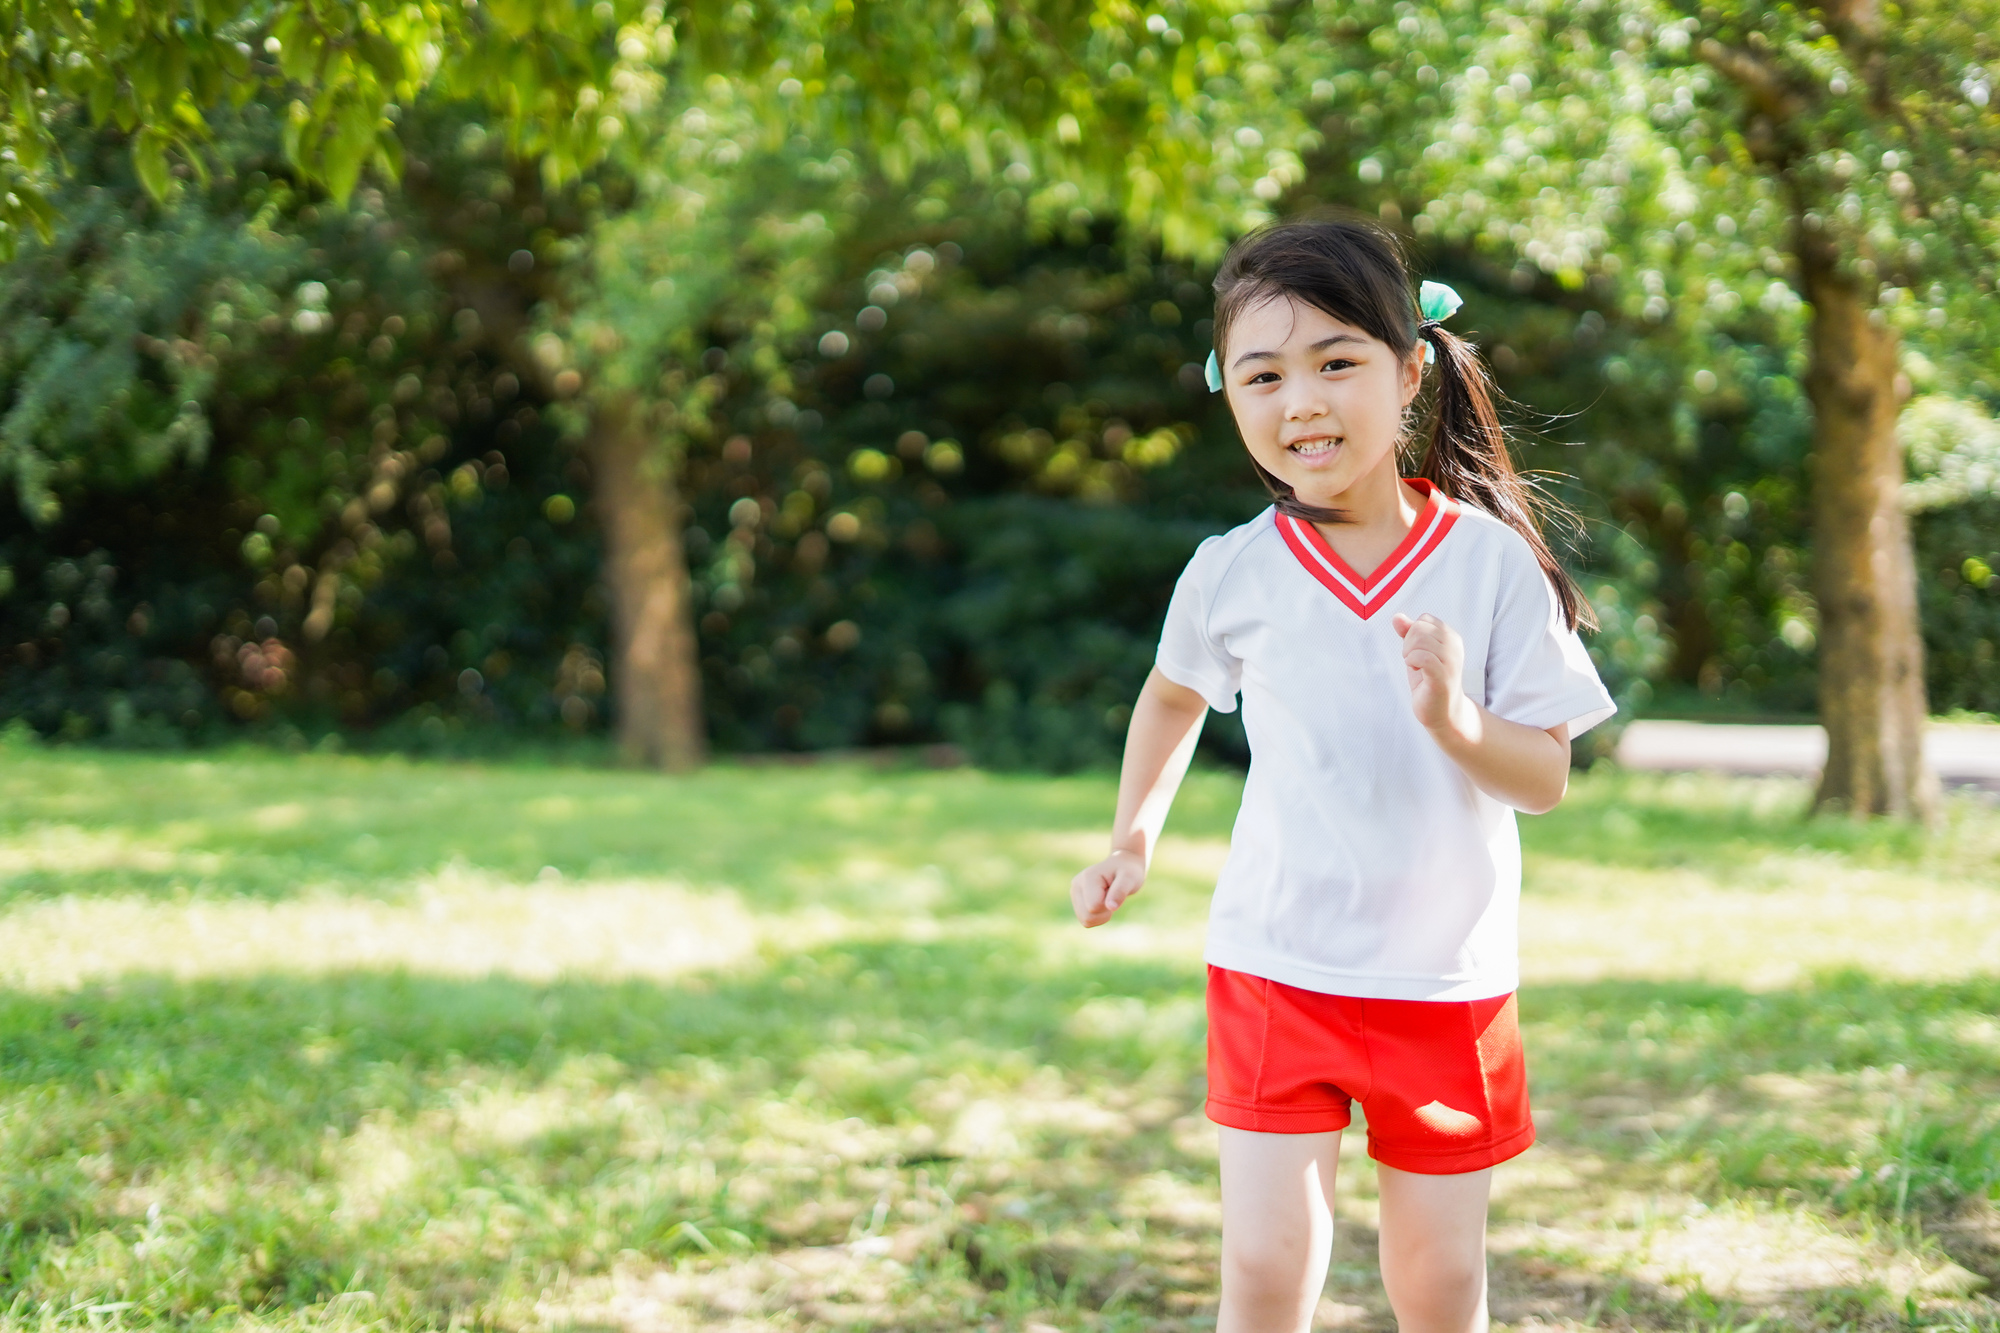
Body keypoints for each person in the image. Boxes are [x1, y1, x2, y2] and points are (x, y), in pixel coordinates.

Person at [1068, 218, 1615, 1333]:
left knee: (1436, 1282)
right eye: (1263, 374)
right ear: (1229, 393)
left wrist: (1457, 721)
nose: (1299, 402)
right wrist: (1132, 834)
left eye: (1335, 362)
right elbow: (1171, 693)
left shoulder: (1484, 562)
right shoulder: (1229, 572)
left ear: (1410, 370)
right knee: (1264, 1273)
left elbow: (1544, 776)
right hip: (1278, 962)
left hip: (1444, 985)